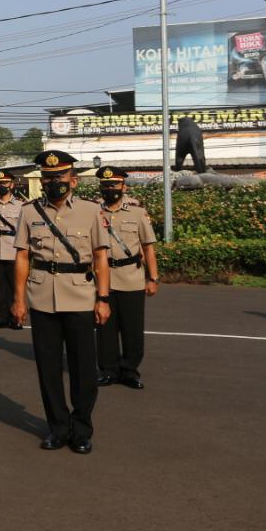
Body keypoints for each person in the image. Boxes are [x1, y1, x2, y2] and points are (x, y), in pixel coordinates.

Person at [12, 150, 111, 455]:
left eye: (59, 176)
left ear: (73, 180)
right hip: (42, 298)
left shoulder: (91, 211)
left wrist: (103, 298)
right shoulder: (29, 212)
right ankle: (56, 427)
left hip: (80, 297)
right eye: (48, 177)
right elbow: (22, 257)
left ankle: (81, 429)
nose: (54, 181)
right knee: (48, 369)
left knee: (83, 369)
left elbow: (100, 257)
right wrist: (18, 300)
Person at [95, 166, 159, 390]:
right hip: (103, 279)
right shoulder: (94, 212)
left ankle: (130, 370)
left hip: (132, 278)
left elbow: (148, 247)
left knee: (132, 328)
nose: (109, 189)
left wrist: (153, 278)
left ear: (123, 186)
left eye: (114, 185)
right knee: (105, 328)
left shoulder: (137, 213)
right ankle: (108, 370)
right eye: (105, 185)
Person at [0, 170, 24, 330]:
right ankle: (1, 317)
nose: (2, 186)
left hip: (13, 250)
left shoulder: (22, 206)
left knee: (15, 286)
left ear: (12, 185)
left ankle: (16, 318)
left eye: (5, 183)